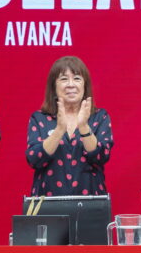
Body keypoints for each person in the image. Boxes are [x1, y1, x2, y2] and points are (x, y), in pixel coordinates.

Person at [26, 56, 113, 196]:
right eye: (64, 79)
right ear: (54, 86)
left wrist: (84, 127)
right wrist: (59, 130)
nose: (71, 84)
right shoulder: (39, 118)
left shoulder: (100, 117)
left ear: (85, 85)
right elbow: (34, 159)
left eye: (77, 78)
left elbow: (101, 157)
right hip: (48, 205)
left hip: (91, 204)